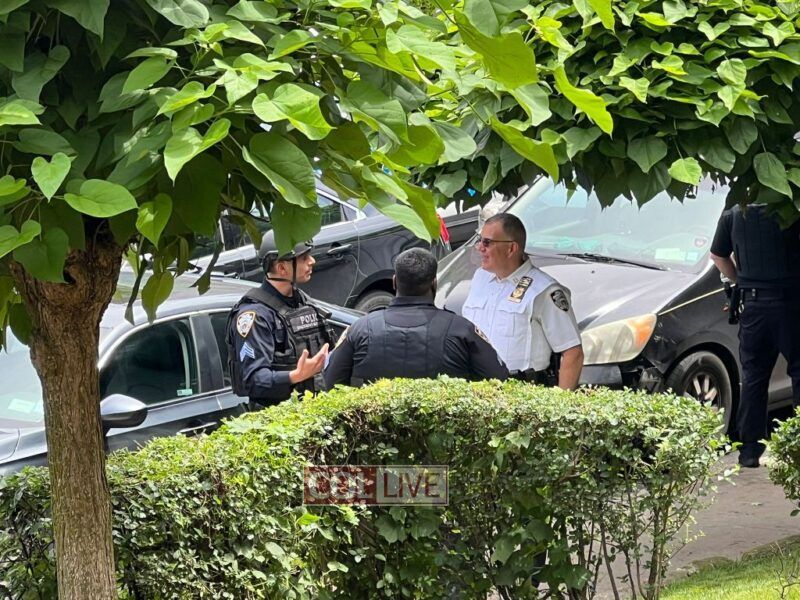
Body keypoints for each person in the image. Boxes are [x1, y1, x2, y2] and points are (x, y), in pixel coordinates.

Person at [323, 248, 509, 388]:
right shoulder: (462, 330)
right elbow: (499, 379)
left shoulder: (360, 329)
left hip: (372, 429)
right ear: (434, 283)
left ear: (394, 282)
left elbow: (330, 381)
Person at [710, 204, 800, 468]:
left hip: (753, 305)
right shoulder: (791, 206)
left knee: (754, 378)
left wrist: (741, 281)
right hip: (792, 304)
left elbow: (717, 255)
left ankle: (749, 451)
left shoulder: (735, 211)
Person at [462, 213, 584, 389]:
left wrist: (561, 402)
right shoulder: (480, 278)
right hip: (476, 388)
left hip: (519, 391)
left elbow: (573, 352)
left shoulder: (544, 290)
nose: (480, 248)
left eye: (487, 242)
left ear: (511, 249)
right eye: (480, 241)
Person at [225, 240, 332, 408]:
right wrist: (295, 376)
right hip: (278, 417)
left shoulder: (302, 302)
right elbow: (254, 380)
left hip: (314, 410)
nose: (312, 261)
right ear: (282, 268)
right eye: (303, 258)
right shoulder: (255, 316)